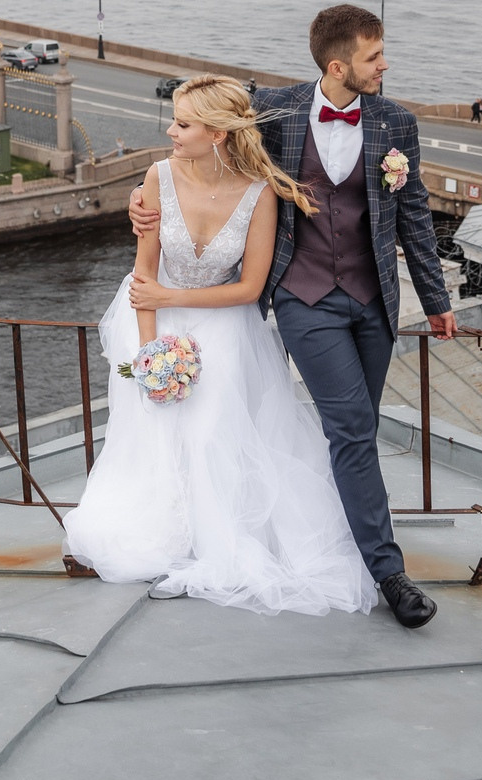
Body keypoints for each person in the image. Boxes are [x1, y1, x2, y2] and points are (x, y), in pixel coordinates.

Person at [128, 4, 456, 631]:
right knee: (353, 428)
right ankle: (390, 574)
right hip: (305, 299)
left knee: (355, 428)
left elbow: (413, 213)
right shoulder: (276, 108)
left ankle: (340, 536)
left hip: (374, 300)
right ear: (339, 66)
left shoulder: (397, 124)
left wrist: (436, 303)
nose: (385, 65)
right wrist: (140, 201)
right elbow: (203, 131)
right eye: (374, 57)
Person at [67, 75, 373, 616]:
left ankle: (220, 541)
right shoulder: (156, 177)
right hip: (154, 320)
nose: (171, 130)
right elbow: (143, 276)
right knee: (156, 432)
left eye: (183, 123)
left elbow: (250, 288)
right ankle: (163, 532)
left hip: (226, 322)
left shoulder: (259, 193)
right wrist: (149, 355)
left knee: (210, 433)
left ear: (218, 134)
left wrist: (172, 292)